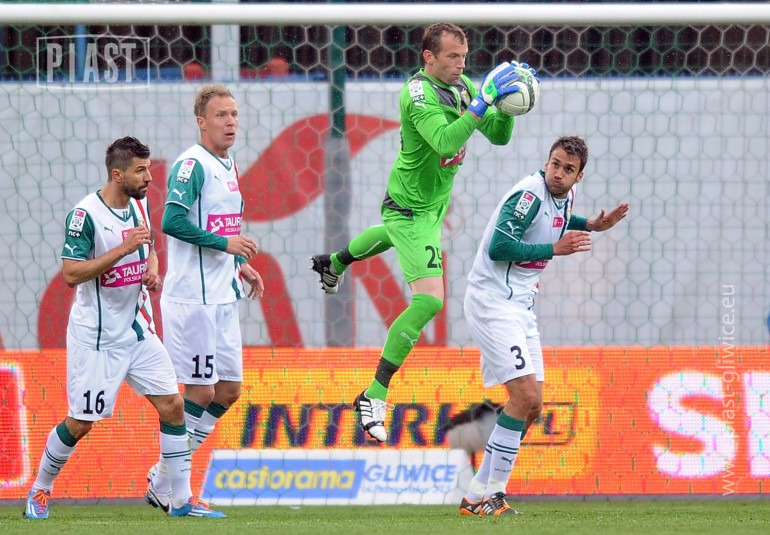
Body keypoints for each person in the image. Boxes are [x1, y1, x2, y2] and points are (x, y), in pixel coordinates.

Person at [311, 23, 529, 443]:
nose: (461, 64)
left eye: (464, 57)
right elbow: (445, 142)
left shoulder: (463, 86)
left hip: (430, 205)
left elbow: (498, 137)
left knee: (390, 234)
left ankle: (333, 262)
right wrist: (481, 102)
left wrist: (505, 106)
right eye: (452, 57)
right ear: (429, 57)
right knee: (429, 300)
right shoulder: (417, 94)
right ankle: (374, 393)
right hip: (411, 210)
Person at [23, 137, 222, 519]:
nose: (149, 177)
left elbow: (149, 248)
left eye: (148, 168)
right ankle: (41, 489)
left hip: (138, 331)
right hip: (98, 338)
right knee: (81, 423)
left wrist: (152, 269)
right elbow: (71, 274)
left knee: (173, 405)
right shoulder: (85, 216)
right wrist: (122, 250)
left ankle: (180, 500)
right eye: (140, 170)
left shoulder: (139, 204)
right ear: (117, 174)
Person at [458, 136, 629, 516]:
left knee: (533, 406)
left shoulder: (565, 196)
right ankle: (493, 495)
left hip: (520, 306)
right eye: (555, 164)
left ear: (578, 176)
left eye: (568, 169)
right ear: (546, 162)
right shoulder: (529, 195)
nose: (558, 173)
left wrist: (592, 225)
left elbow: (559, 219)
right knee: (523, 397)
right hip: (492, 301)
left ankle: (475, 494)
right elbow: (499, 248)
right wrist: (555, 249)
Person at [145, 84, 264, 511]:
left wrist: (238, 263)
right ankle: (176, 491)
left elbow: (221, 224)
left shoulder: (228, 164)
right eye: (221, 115)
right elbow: (171, 221)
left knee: (228, 390)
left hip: (222, 295)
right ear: (201, 122)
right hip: (192, 299)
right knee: (199, 393)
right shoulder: (191, 164)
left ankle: (163, 476)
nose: (230, 122)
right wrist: (225, 245)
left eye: (234, 114)